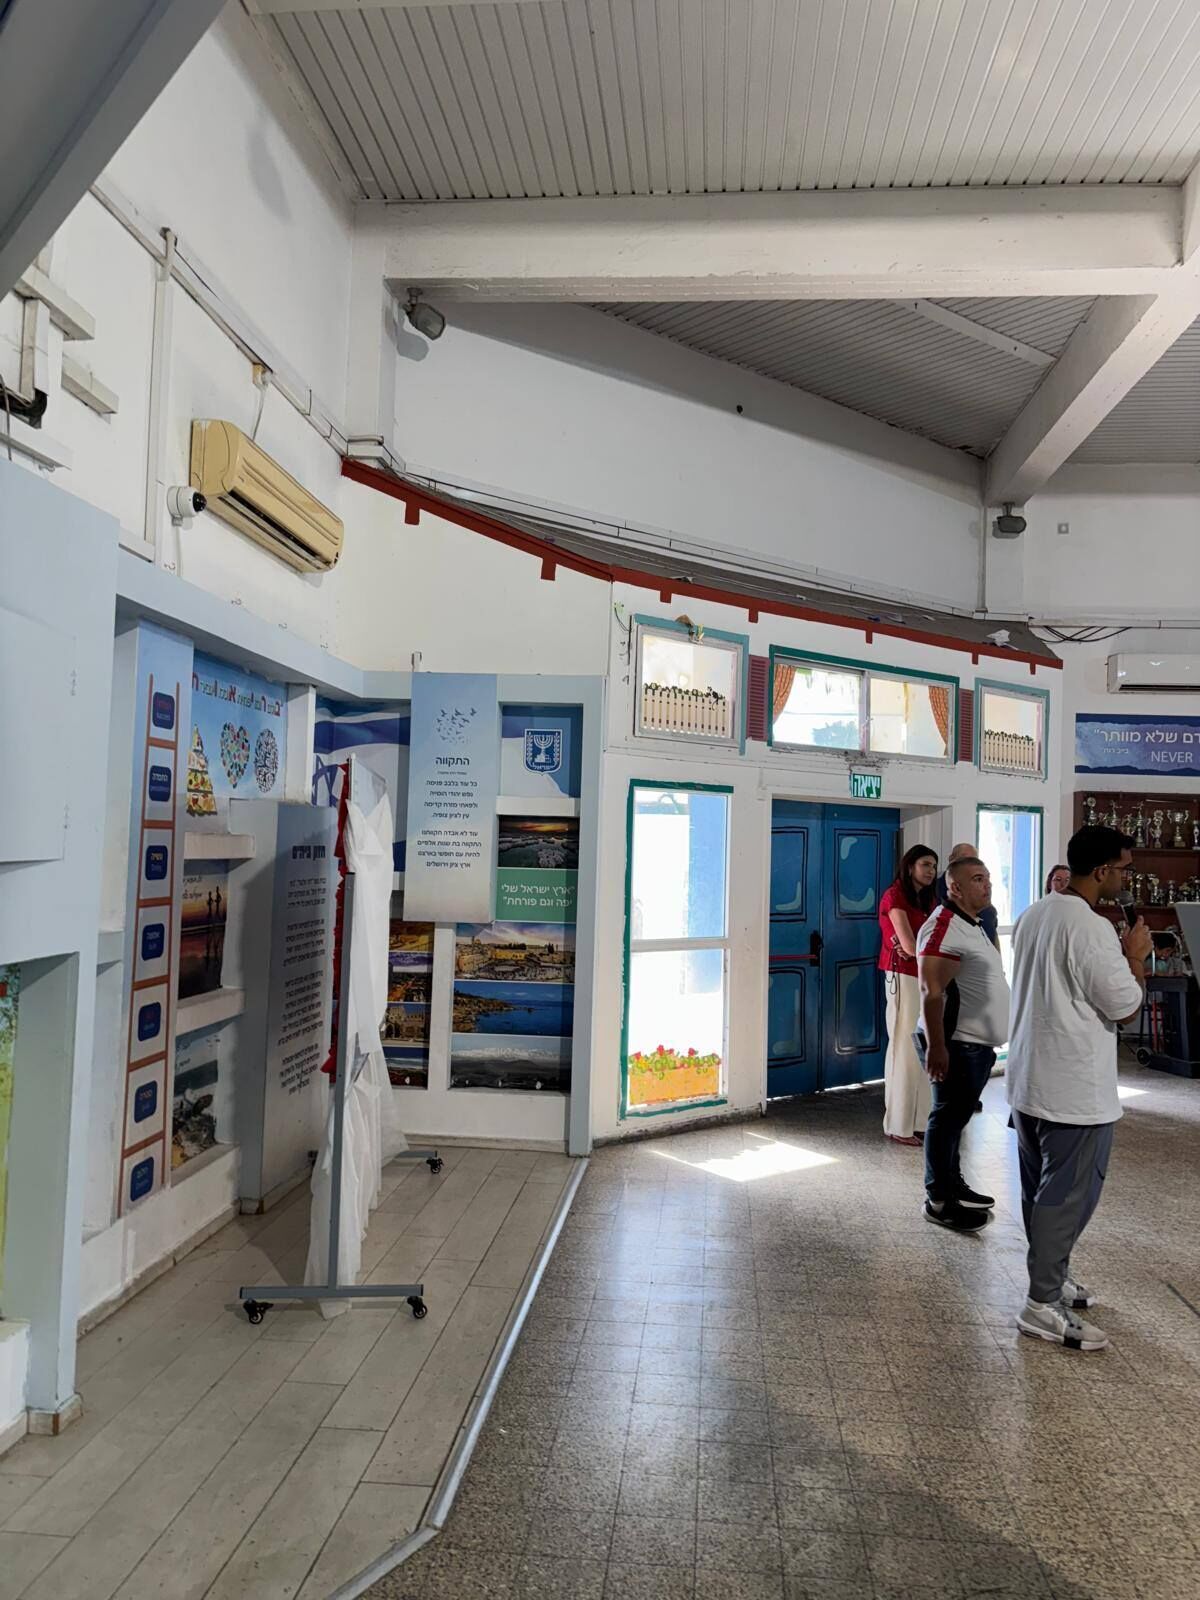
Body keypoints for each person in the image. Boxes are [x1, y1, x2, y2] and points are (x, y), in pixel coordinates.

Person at [1006, 826, 1151, 1351]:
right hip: (1072, 1091)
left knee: (1039, 1193)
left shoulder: (1035, 913)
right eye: (1124, 870)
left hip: (1030, 1081)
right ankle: (1041, 1304)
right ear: (1102, 871)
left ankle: (1054, 1274)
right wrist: (1135, 956)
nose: (1127, 880)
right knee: (1066, 1198)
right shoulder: (1091, 928)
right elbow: (1125, 1005)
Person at [915, 855, 1011, 1231]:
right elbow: (931, 990)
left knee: (955, 1122)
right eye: (977, 879)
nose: (987, 885)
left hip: (974, 1045)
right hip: (955, 1044)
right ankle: (939, 1201)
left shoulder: (972, 923)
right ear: (954, 887)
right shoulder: (943, 925)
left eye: (987, 878)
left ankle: (952, 1185)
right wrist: (937, 1047)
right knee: (946, 1120)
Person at [878, 846, 938, 1146]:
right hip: (902, 976)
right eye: (925, 864)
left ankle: (920, 1121)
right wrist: (919, 949)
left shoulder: (928, 899)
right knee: (904, 1048)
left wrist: (921, 949)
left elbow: (927, 943)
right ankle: (899, 1125)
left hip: (924, 975)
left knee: (922, 1048)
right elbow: (910, 945)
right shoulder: (895, 896)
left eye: (934, 866)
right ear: (910, 866)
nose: (931, 871)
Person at [937, 843, 1000, 948]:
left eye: (974, 860)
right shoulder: (933, 892)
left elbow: (993, 933)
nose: (988, 885)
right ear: (951, 859)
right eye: (965, 860)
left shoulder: (985, 904)